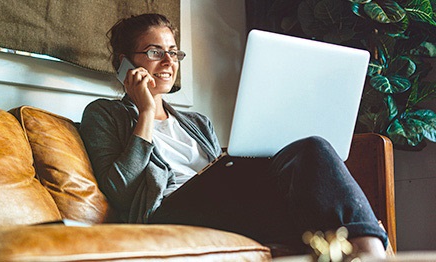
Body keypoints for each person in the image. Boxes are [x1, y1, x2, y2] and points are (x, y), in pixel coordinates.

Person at [79, 13, 388, 257]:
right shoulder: (104, 114)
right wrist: (145, 112)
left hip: (218, 204)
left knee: (313, 153)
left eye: (173, 52)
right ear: (124, 62)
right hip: (169, 211)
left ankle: (364, 249)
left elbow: (222, 175)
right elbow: (119, 189)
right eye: (154, 51)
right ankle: (373, 251)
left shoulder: (197, 122)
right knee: (310, 159)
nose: (169, 62)